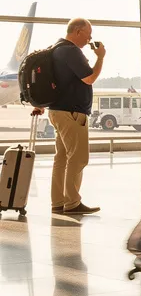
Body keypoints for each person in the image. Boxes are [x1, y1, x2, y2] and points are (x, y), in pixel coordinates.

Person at [29, 18, 104, 215]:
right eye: (88, 34)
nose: (89, 39)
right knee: (78, 158)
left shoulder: (55, 50)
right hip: (72, 113)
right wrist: (100, 57)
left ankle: (58, 202)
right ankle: (72, 203)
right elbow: (89, 78)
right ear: (78, 31)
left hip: (57, 111)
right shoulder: (71, 51)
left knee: (61, 158)